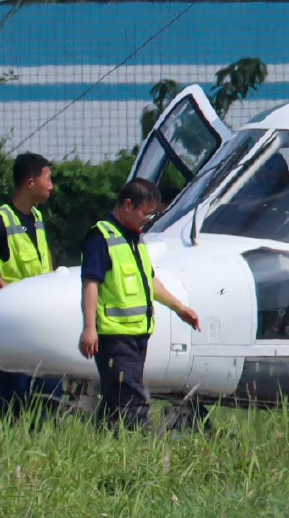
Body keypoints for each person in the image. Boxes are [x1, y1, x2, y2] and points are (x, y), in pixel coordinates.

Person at [79, 178, 200, 429]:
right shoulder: (101, 237)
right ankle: (148, 451)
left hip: (137, 336)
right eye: (145, 213)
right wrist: (89, 328)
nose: (148, 219)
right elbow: (91, 284)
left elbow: (150, 281)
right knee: (133, 405)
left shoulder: (134, 238)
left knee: (115, 405)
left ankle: (103, 446)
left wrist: (180, 308)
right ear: (128, 205)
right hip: (115, 337)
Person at [0, 152, 64, 423]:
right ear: (30, 183)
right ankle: (7, 447)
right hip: (17, 324)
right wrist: (4, 287)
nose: (51, 186)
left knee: (49, 394)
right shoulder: (2, 219)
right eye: (48, 179)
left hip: (44, 320)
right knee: (14, 398)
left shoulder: (38, 218)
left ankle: (41, 450)